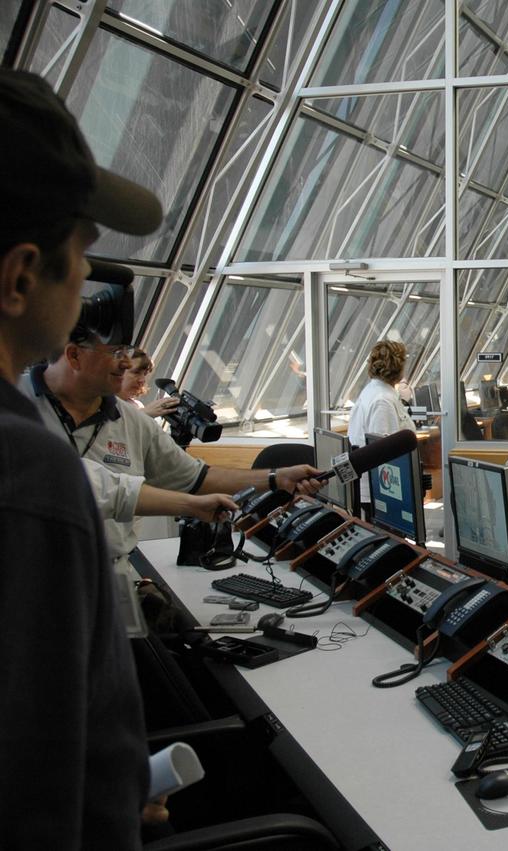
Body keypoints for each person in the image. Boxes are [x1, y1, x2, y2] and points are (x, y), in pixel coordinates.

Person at [0, 68, 154, 847]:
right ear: (21, 276)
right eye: (83, 251)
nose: (89, 277)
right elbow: (53, 782)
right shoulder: (28, 473)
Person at [23, 325, 323, 564]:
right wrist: (190, 505)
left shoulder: (131, 419)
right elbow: (99, 489)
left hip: (107, 576)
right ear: (74, 356)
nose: (125, 362)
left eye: (125, 351)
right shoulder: (13, 408)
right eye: (115, 352)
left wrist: (277, 478)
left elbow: (197, 478)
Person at [347, 339, 416, 511]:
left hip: (377, 489)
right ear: (399, 368)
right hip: (381, 492)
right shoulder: (382, 401)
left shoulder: (376, 392)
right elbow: (385, 454)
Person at [119, 346, 178, 418]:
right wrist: (144, 414)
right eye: (136, 372)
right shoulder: (105, 402)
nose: (142, 380)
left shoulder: (137, 406)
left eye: (145, 374)